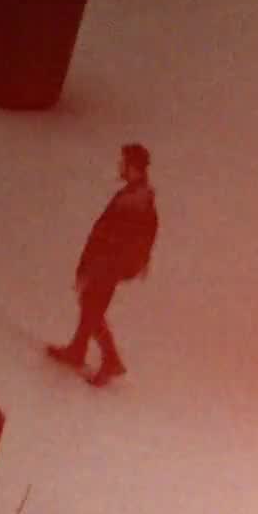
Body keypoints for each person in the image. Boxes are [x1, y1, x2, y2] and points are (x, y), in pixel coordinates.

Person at [47, 142, 159, 387]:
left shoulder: (135, 201)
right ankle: (79, 349)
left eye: (124, 162)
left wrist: (96, 263)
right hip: (109, 263)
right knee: (90, 303)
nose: (120, 166)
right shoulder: (136, 196)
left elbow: (112, 237)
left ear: (133, 167)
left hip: (108, 264)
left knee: (92, 306)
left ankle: (110, 359)